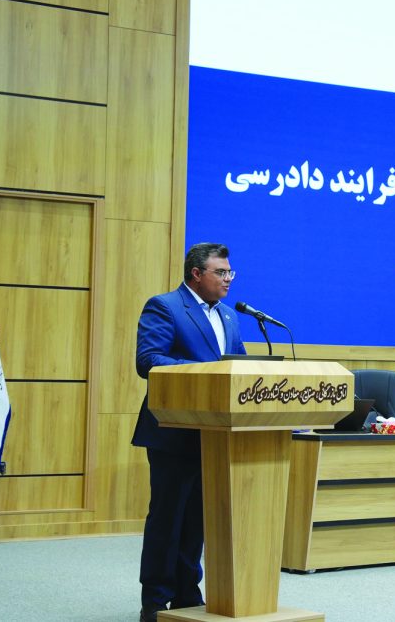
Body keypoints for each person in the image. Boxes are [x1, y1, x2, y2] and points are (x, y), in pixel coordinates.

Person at [132, 243, 246, 621]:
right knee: (168, 518)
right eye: (221, 272)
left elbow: (239, 367)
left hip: (214, 434)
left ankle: (186, 594)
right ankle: (155, 600)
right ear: (196, 274)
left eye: (230, 272)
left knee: (198, 519)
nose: (228, 279)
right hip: (173, 430)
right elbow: (149, 360)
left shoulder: (229, 316)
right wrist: (205, 373)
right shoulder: (165, 307)